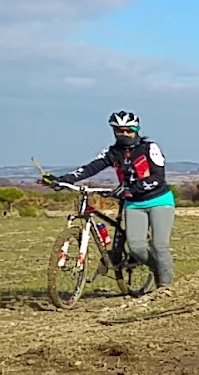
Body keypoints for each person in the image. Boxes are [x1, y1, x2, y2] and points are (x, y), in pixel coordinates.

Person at [42, 111, 176, 293]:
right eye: (119, 130)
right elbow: (90, 168)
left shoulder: (149, 148)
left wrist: (131, 189)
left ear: (136, 130)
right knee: (136, 248)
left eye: (129, 130)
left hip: (159, 201)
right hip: (133, 204)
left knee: (159, 246)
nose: (124, 134)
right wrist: (63, 180)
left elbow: (158, 178)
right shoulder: (113, 152)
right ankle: (156, 268)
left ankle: (166, 287)